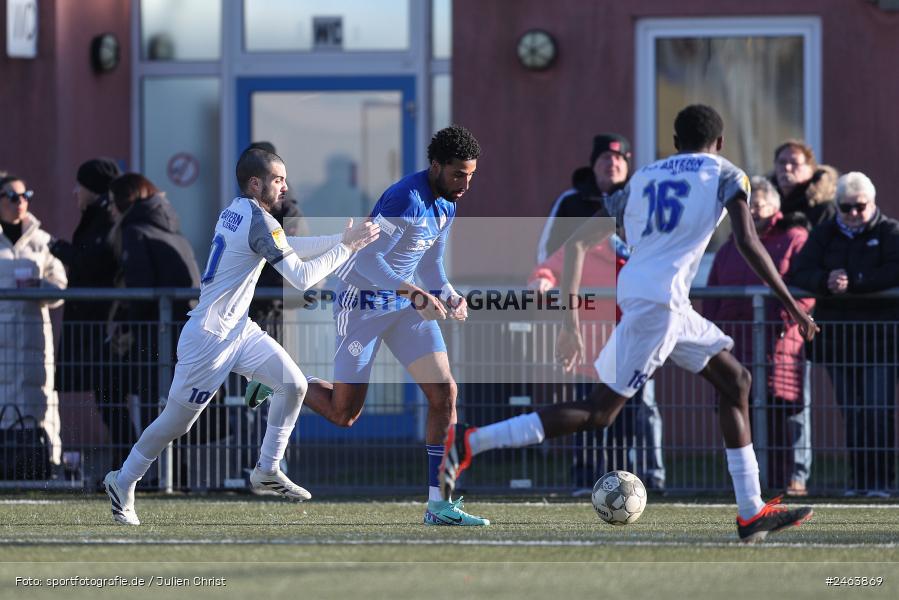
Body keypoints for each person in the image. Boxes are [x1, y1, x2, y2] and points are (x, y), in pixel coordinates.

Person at [441, 105, 819, 543]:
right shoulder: (726, 173)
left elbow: (579, 245)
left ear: (675, 143)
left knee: (736, 381)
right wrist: (791, 303)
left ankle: (751, 511)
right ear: (718, 143)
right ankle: (471, 441)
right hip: (659, 306)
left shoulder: (643, 177)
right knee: (600, 413)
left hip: (657, 299)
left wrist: (569, 323)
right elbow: (749, 242)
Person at [102, 148, 379, 525]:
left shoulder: (241, 210)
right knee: (176, 424)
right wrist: (348, 247)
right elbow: (300, 277)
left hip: (239, 330)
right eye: (278, 179)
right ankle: (123, 479)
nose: (285, 186)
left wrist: (339, 239)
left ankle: (266, 468)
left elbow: (288, 247)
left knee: (294, 385)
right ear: (256, 183)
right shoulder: (257, 220)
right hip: (210, 339)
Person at [247, 125, 489, 526]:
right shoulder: (405, 198)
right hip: (361, 304)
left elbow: (430, 263)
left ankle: (439, 503)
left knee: (445, 392)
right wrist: (413, 292)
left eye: (471, 175)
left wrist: (447, 294)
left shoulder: (447, 205)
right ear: (436, 166)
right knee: (345, 415)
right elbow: (365, 261)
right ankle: (281, 381)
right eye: (458, 174)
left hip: (404, 307)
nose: (465, 184)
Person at [788, 172, 899, 498]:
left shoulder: (889, 231)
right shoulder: (825, 233)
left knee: (878, 411)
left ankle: (880, 482)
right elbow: (801, 272)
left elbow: (894, 270)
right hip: (840, 341)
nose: (852, 213)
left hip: (881, 341)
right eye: (845, 207)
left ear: (872, 203)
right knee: (852, 413)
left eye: (859, 206)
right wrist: (826, 280)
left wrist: (856, 280)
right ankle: (858, 482)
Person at [529, 234, 666, 493]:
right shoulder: (587, 241)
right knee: (586, 418)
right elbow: (550, 267)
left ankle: (621, 482)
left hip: (631, 353)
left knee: (625, 422)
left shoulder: (650, 245)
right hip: (591, 352)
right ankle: (585, 478)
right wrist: (543, 280)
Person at [705, 177, 814, 495]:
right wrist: (712, 329)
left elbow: (805, 287)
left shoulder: (794, 238)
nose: (752, 212)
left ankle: (786, 482)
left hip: (777, 342)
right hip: (736, 342)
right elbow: (713, 293)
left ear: (775, 207)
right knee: (741, 411)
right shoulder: (729, 247)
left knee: (781, 415)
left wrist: (786, 317)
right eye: (748, 206)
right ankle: (747, 484)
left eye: (758, 205)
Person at [106, 173, 202, 437]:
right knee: (174, 404)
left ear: (124, 201)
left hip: (156, 333)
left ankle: (153, 474)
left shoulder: (134, 230)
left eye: (112, 202)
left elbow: (141, 289)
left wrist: (126, 327)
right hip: (185, 328)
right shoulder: (170, 227)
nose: (110, 210)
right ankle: (174, 472)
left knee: (152, 402)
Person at [49, 158, 125, 466]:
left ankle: (132, 465)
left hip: (103, 325)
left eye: (79, 185)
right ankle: (128, 465)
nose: (74, 192)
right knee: (108, 398)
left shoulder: (106, 219)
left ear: (92, 188)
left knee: (111, 397)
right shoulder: (98, 216)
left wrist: (58, 248)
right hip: (96, 324)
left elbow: (92, 261)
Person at [0, 175, 68, 474]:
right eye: (13, 196)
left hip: (33, 340)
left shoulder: (42, 242)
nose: (21, 202)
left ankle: (43, 465)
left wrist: (40, 285)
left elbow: (60, 286)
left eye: (26, 195)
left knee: (39, 401)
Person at [536, 133, 631, 263]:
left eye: (618, 157)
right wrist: (548, 275)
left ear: (627, 166)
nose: (612, 163)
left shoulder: (638, 200)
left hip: (627, 279)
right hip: (581, 280)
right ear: (594, 164)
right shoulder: (570, 201)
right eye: (606, 157)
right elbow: (548, 249)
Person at [770, 140, 837, 227]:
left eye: (794, 163)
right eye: (782, 162)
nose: (787, 168)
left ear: (810, 169)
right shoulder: (766, 205)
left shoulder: (823, 208)